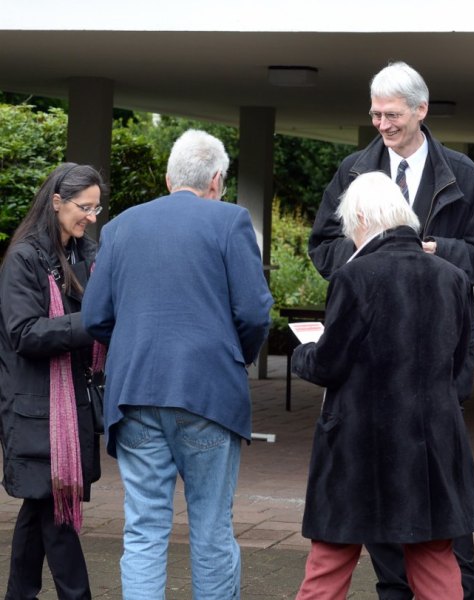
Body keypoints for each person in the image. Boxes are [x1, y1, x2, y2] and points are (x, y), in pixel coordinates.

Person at [308, 60, 474, 600]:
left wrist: (432, 253)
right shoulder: (352, 169)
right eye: (374, 113)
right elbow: (322, 247)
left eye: (392, 113)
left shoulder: (462, 173)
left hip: (427, 362)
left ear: (421, 110)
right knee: (391, 530)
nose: (381, 124)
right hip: (368, 364)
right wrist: (376, 253)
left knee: (436, 529)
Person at [81, 129, 273, 600]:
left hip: (135, 392)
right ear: (216, 179)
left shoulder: (119, 227)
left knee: (144, 527)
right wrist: (235, 356)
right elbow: (252, 312)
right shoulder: (230, 221)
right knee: (210, 527)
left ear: (168, 179)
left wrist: (132, 347)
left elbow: (94, 317)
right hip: (209, 392)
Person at [292, 171, 474, 600]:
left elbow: (328, 364)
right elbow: (463, 374)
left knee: (330, 561)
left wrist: (302, 352)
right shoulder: (452, 277)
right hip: (432, 443)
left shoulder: (353, 277)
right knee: (435, 562)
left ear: (361, 217)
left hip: (358, 445)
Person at [0, 163, 106, 599]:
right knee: (56, 512)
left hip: (64, 406)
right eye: (86, 207)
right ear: (57, 202)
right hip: (35, 408)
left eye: (98, 208)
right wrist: (94, 322)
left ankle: (19, 594)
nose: (92, 217)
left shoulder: (82, 252)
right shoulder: (24, 258)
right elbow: (24, 333)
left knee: (39, 507)